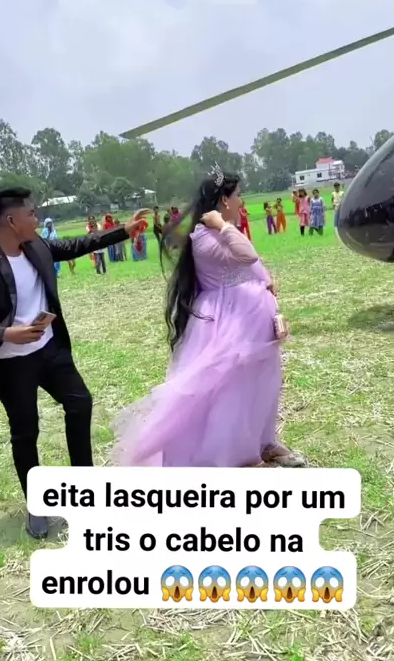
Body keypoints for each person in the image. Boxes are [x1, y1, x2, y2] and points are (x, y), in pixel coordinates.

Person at [0, 186, 147, 539]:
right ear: (12, 220)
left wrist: (123, 231)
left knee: (80, 403)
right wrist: (7, 334)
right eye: (31, 213)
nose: (36, 219)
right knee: (26, 432)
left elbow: (77, 245)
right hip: (10, 363)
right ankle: (36, 506)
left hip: (50, 351)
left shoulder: (36, 246)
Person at [112, 170, 304, 469]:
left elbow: (252, 266)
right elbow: (248, 255)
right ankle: (234, 454)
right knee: (231, 390)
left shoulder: (221, 230)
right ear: (224, 200)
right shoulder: (205, 236)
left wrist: (267, 282)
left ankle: (264, 441)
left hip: (250, 321)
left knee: (262, 383)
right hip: (227, 323)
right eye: (237, 195)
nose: (241, 201)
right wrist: (222, 226)